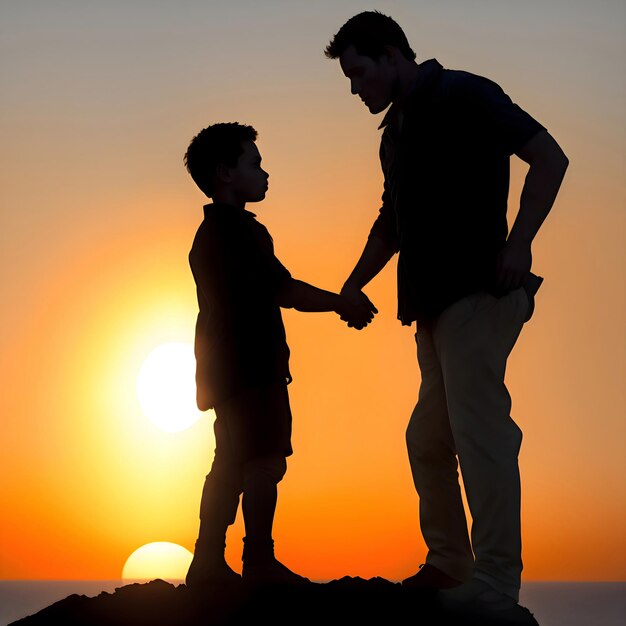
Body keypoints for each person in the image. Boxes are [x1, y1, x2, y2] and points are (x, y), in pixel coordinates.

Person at [325, 10, 568, 624]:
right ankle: (452, 563)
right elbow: (393, 222)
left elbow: (549, 157)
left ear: (390, 54)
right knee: (427, 439)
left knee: (480, 431)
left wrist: (520, 244)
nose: (356, 89)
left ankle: (494, 580)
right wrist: (351, 285)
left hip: (479, 294)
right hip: (429, 311)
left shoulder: (464, 92)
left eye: (358, 73)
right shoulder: (393, 133)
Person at [183, 122, 376, 588]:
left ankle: (208, 561)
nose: (265, 173)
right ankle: (258, 560)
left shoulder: (213, 234)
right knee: (264, 460)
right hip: (250, 369)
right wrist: (341, 302)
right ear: (226, 173)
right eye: (255, 163)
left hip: (226, 371)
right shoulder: (237, 234)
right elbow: (282, 289)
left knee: (230, 461)